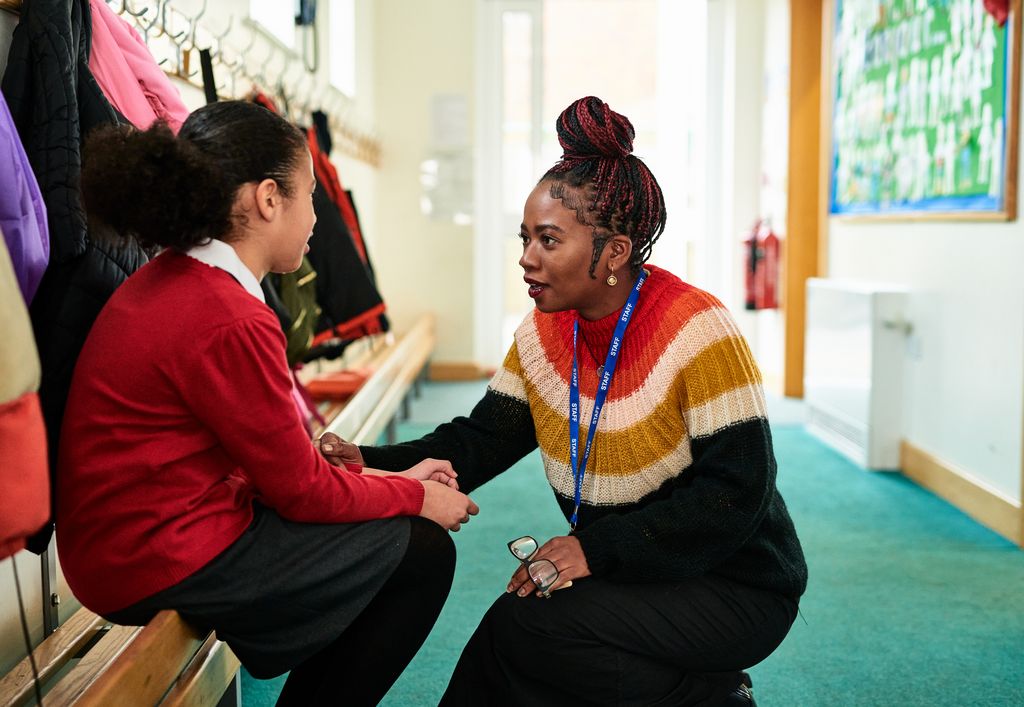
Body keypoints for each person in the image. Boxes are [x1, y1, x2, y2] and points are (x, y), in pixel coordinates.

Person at [334, 96, 807, 706]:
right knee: (524, 636)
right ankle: (710, 695)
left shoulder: (698, 330)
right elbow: (476, 442)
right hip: (637, 570)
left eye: (549, 240)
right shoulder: (543, 334)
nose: (526, 258)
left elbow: (734, 494)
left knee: (532, 628)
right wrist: (362, 459)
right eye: (525, 237)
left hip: (734, 583)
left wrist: (593, 549)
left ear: (614, 251)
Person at [55, 100, 479, 706]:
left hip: (128, 544)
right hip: (150, 555)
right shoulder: (229, 316)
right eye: (311, 194)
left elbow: (275, 465)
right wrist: (416, 496)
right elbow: (301, 492)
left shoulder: (176, 278)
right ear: (268, 199)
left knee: (392, 531)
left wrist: (388, 478)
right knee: (421, 552)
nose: (316, 216)